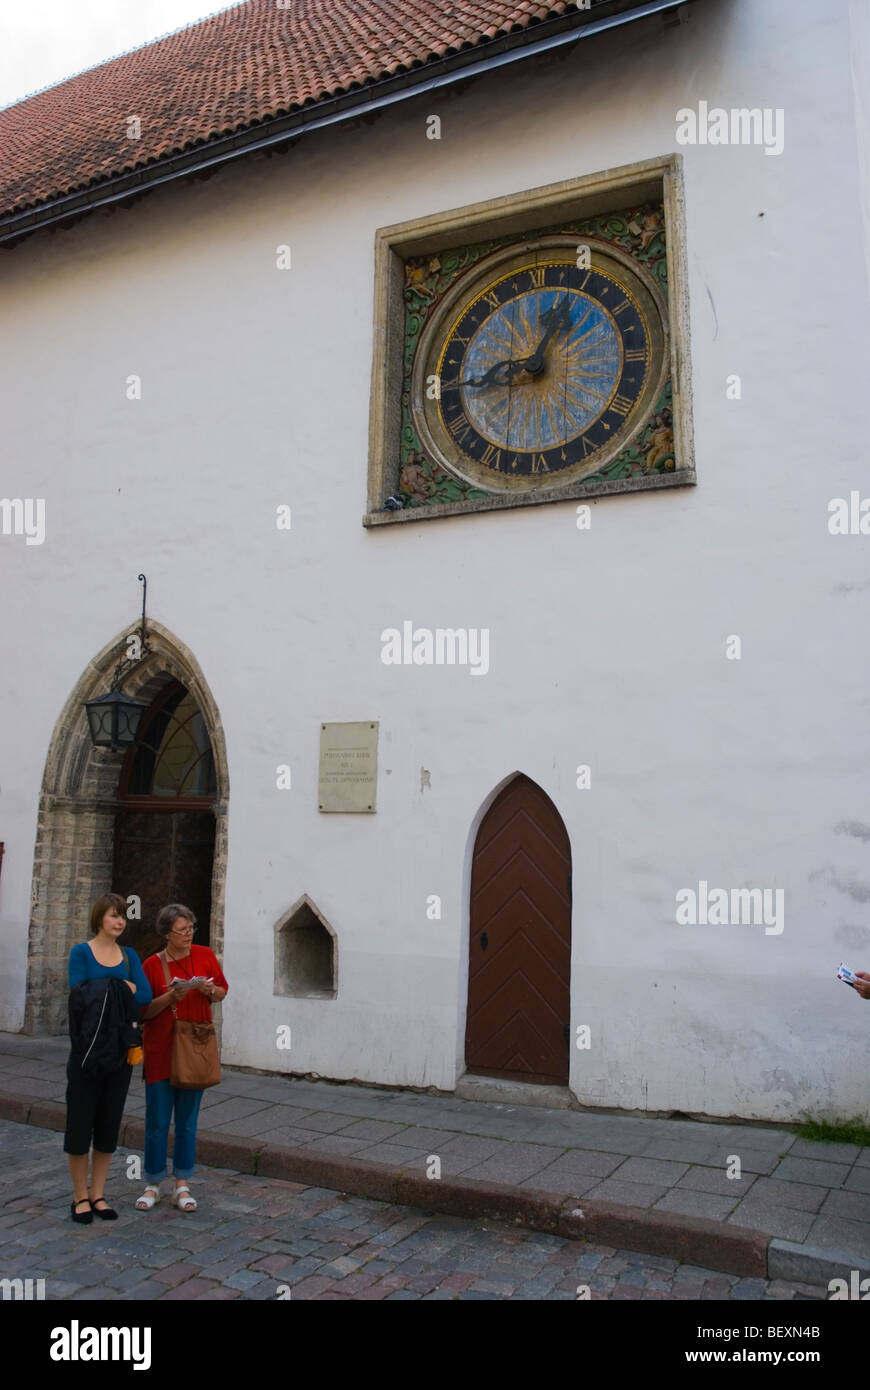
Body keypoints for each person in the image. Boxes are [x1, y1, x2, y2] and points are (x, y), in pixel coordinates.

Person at [65, 892, 152, 1222]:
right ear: (99, 918)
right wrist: (120, 986)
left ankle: (98, 1194)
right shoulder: (81, 953)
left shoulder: (129, 955)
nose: (119, 922)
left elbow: (143, 994)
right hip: (87, 1052)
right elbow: (78, 994)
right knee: (79, 1125)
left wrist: (114, 986)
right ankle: (79, 1196)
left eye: (122, 917)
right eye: (113, 915)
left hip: (119, 1051)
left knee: (107, 1124)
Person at [136, 904, 228, 1212]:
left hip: (195, 1048)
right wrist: (169, 997)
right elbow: (142, 1011)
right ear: (166, 934)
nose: (188, 935)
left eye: (191, 929)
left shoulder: (204, 955)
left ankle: (182, 1184)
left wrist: (209, 990)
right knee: (158, 1121)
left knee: (187, 1122)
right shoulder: (152, 964)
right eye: (182, 930)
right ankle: (153, 1183)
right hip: (161, 1051)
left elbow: (222, 991)